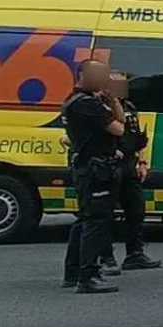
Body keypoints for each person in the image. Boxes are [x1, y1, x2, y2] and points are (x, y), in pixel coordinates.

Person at [61, 59, 125, 293]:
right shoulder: (85, 103)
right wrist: (109, 103)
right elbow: (119, 128)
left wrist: (112, 98)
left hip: (90, 166)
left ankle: (73, 272)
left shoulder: (80, 100)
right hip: (94, 168)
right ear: (83, 75)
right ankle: (87, 276)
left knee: (85, 220)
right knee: (95, 222)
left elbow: (120, 119)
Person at [107, 71, 162, 273]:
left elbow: (137, 138)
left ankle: (135, 254)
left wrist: (142, 162)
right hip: (111, 165)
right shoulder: (103, 108)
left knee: (136, 209)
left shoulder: (129, 107)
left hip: (130, 165)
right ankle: (105, 256)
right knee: (106, 213)